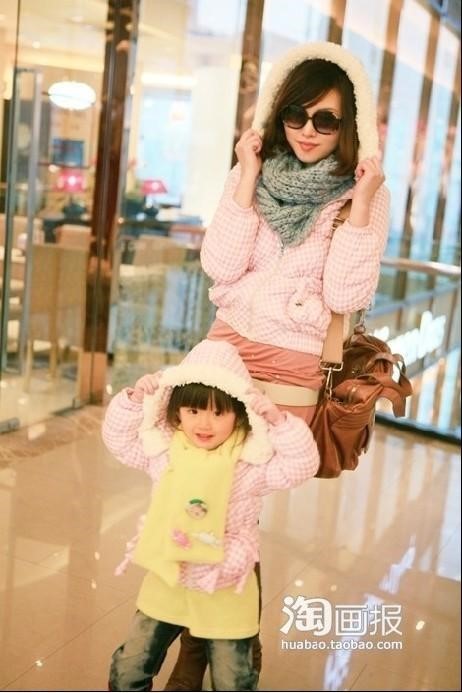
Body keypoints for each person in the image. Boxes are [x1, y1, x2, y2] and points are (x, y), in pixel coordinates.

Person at [165, 41, 390, 691]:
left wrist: (363, 201)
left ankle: (207, 647)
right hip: (225, 346)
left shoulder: (364, 192)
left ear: (350, 124)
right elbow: (219, 265)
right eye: (296, 114)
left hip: (290, 363)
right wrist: (244, 175)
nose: (308, 130)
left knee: (233, 504)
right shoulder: (257, 173)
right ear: (277, 113)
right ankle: (222, 643)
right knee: (200, 493)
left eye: (326, 119)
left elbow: (345, 294)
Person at [102, 339, 320, 692]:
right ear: (176, 411)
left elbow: (301, 466)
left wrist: (279, 423)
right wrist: (134, 400)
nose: (204, 423)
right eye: (193, 410)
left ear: (239, 414)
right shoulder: (165, 452)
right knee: (130, 668)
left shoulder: (250, 464)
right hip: (168, 577)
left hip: (226, 587)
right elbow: (119, 441)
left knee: (232, 680)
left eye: (218, 413)